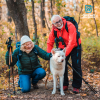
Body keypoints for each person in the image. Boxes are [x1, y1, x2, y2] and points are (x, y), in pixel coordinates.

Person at [47, 15, 82, 93]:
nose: (59, 23)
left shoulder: (70, 25)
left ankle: (76, 86)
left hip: (75, 46)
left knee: (76, 66)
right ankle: (64, 84)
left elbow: (72, 42)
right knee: (62, 65)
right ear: (53, 24)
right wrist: (49, 55)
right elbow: (50, 42)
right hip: (62, 47)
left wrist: (63, 55)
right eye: (56, 22)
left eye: (60, 20)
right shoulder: (54, 30)